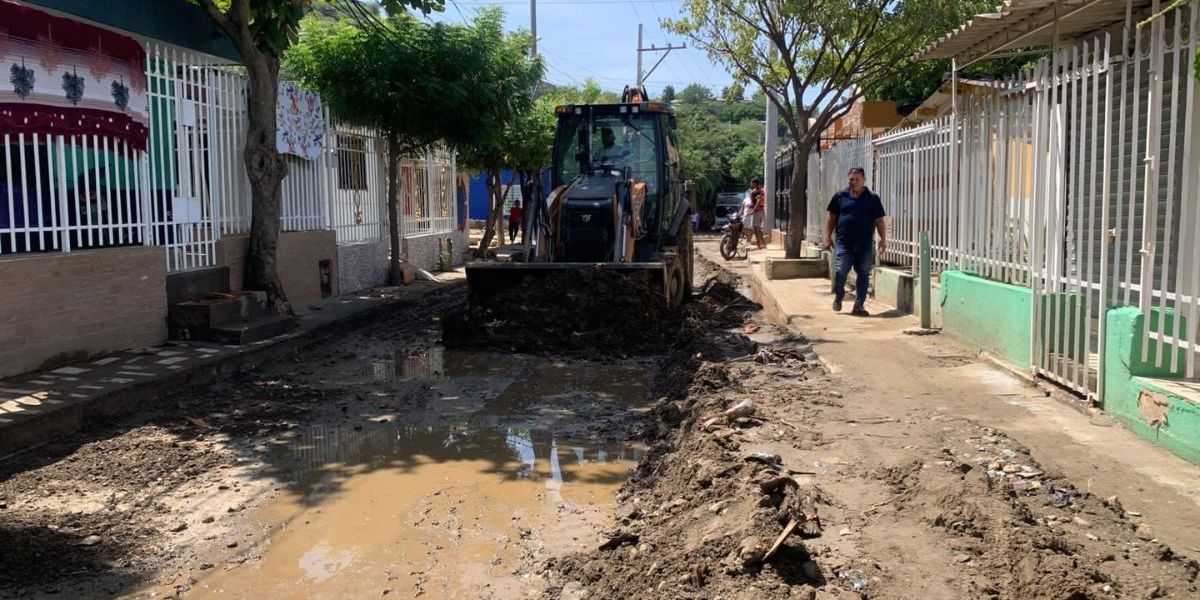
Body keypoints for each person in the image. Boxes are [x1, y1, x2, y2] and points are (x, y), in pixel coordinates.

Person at [824, 167, 886, 317]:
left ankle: (859, 305)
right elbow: (831, 219)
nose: (854, 182)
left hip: (865, 244)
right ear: (848, 179)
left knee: (864, 273)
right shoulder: (840, 196)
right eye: (851, 179)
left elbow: (879, 220)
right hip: (843, 242)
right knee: (840, 270)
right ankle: (839, 295)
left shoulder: (872, 198)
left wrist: (883, 238)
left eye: (857, 179)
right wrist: (827, 237)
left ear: (864, 180)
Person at [740, 178, 766, 250]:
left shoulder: (759, 192)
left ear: (755, 184)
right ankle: (762, 244)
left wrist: (753, 210)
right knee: (757, 228)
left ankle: (760, 244)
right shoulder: (755, 192)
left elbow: (759, 201)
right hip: (757, 211)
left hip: (758, 211)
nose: (751, 184)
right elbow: (754, 202)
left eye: (752, 183)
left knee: (756, 228)